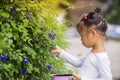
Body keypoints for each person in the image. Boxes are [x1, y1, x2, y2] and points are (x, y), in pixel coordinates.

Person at [51, 7, 112, 80]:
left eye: (82, 36)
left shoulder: (102, 58)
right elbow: (77, 62)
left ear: (92, 34)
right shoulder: (93, 53)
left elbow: (107, 78)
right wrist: (60, 52)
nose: (81, 39)